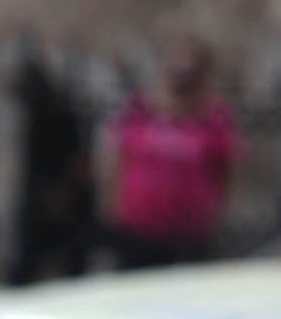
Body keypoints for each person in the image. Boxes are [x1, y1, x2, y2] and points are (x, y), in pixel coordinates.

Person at [96, 32, 242, 270]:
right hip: (136, 230)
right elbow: (113, 156)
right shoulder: (138, 110)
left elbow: (228, 169)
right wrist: (110, 203)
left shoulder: (213, 118)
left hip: (189, 235)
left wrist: (217, 212)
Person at [6, 52, 94, 285]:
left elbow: (78, 164)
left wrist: (62, 195)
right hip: (39, 206)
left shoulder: (62, 119)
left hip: (66, 208)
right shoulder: (34, 118)